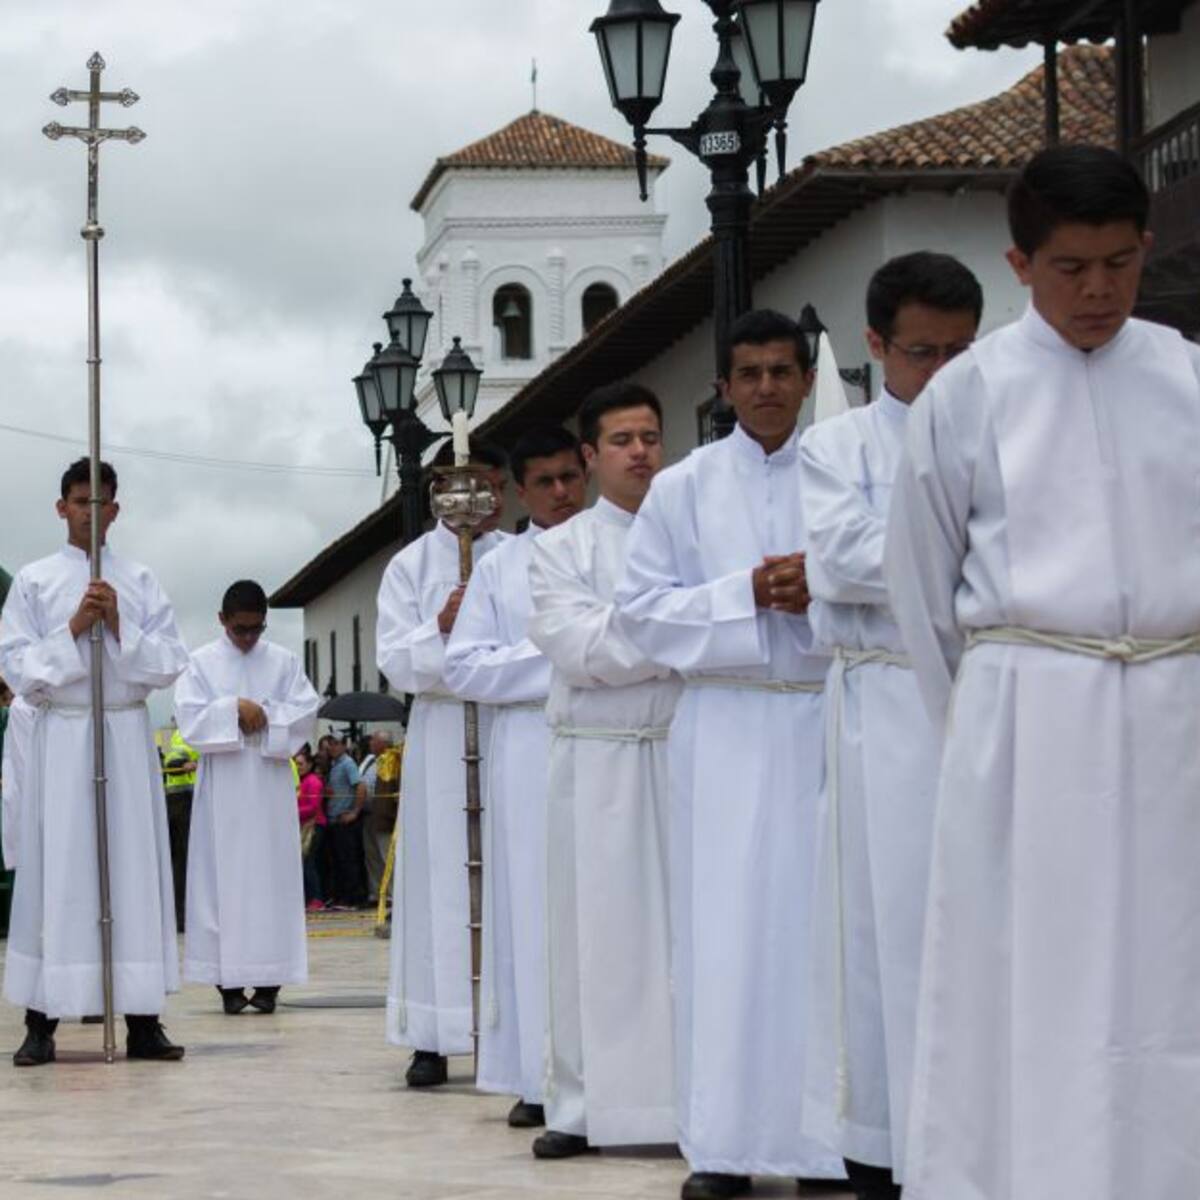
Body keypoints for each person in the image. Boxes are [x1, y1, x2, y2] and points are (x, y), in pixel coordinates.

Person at [885, 145, 1200, 1200]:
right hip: (1028, 715)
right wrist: (983, 733)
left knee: (1169, 962)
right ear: (1021, 264)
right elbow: (923, 590)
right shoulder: (969, 395)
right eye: (1072, 268)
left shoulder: (1188, 375)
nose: (1100, 290)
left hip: (1175, 705)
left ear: (1146, 250)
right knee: (1030, 968)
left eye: (1120, 263)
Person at [617, 311, 844, 1200]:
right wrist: (743, 594)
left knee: (821, 932)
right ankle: (721, 1144)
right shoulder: (683, 488)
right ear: (723, 386)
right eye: (746, 373)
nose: (765, 388)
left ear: (805, 375)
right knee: (722, 935)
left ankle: (828, 1144)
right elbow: (640, 615)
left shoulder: (845, 470)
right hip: (723, 729)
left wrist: (820, 594)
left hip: (823, 716)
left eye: (781, 371)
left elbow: (894, 584)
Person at [797, 252, 983, 1199]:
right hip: (890, 707)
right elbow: (843, 561)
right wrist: (973, 548)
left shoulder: (1009, 425)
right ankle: (886, 1142)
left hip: (994, 691)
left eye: (962, 351)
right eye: (922, 354)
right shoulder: (840, 448)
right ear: (876, 346)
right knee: (891, 924)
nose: (945, 373)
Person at [527, 383, 680, 1159]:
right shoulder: (561, 548)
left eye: (650, 436)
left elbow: (714, 629)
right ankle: (581, 1107)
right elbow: (581, 651)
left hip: (680, 753)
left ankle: (691, 1103)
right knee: (590, 936)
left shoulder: (691, 532)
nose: (640, 452)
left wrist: (652, 635)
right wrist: (678, 633)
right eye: (621, 440)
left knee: (686, 938)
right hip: (597, 761)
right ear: (591, 456)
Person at [0, 458, 189, 1065]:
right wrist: (77, 626)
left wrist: (120, 626)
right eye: (81, 502)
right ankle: (42, 1018)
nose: (92, 512)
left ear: (117, 508)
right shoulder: (33, 582)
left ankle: (142, 1018)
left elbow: (168, 661)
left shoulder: (138, 579)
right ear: (61, 508)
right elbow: (16, 669)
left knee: (129, 870)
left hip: (124, 734)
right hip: (65, 735)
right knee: (61, 869)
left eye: (102, 502)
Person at [444, 426, 587, 1127]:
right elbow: (465, 666)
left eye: (571, 477)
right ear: (518, 493)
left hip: (614, 739)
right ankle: (540, 1073)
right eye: (547, 482)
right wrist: (560, 659)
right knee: (535, 910)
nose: (562, 493)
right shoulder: (498, 571)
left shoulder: (617, 546)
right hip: (531, 744)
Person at [376, 438, 508, 1087]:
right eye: (455, 485)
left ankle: (509, 1029)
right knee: (438, 882)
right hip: (438, 724)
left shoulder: (515, 556)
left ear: (497, 490)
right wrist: (443, 625)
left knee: (507, 878)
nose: (469, 499)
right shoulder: (408, 566)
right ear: (436, 490)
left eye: (480, 483)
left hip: (503, 720)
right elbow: (396, 660)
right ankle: (434, 1031)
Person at [174, 579, 319, 1015]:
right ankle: (227, 983)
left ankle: (271, 978)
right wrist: (232, 708)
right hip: (225, 780)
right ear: (222, 621)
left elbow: (305, 713)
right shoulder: (199, 663)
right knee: (222, 881)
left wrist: (267, 715)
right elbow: (189, 718)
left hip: (270, 779)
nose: (249, 638)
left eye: (257, 629)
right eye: (240, 629)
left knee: (272, 878)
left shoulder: (284, 661)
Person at [161, 725, 199, 934]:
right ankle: (181, 917)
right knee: (183, 863)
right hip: (183, 803)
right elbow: (173, 760)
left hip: (187, 803)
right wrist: (188, 764)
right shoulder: (185, 733)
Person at [324, 732, 367, 908]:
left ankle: (353, 898)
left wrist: (355, 812)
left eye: (335, 744)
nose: (332, 747)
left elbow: (361, 786)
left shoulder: (348, 764)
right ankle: (342, 896)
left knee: (348, 860)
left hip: (345, 821)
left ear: (343, 745)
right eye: (330, 744)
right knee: (338, 861)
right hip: (334, 820)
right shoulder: (334, 764)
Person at [358, 730, 391, 902]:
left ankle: (391, 893)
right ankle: (376, 893)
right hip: (369, 814)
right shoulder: (371, 761)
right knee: (372, 855)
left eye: (374, 741)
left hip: (383, 815)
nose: (370, 743)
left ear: (382, 744)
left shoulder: (392, 761)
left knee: (385, 854)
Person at [295, 748, 327, 910]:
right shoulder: (301, 781)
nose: (298, 766)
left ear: (309, 764)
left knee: (308, 862)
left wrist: (292, 812)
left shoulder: (313, 781)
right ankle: (310, 897)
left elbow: (313, 807)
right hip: (303, 825)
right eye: (296, 764)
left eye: (301, 764)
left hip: (314, 825)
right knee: (304, 862)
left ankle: (316, 897)